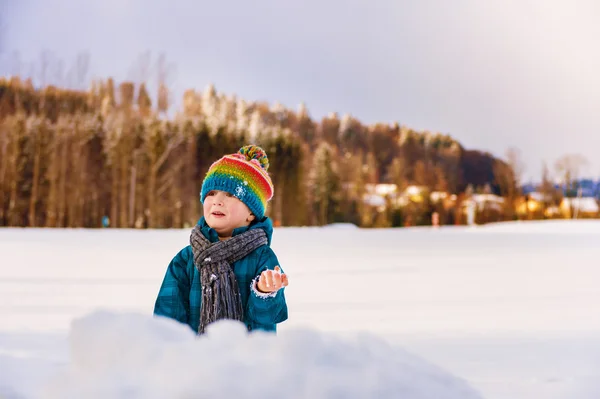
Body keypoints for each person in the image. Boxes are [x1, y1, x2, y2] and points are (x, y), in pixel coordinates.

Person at [154, 145, 289, 334]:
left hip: (247, 358)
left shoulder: (262, 257)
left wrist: (264, 291)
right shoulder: (186, 259)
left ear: (251, 213)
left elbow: (268, 319)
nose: (217, 200)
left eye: (230, 195)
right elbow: (167, 320)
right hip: (196, 358)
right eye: (211, 193)